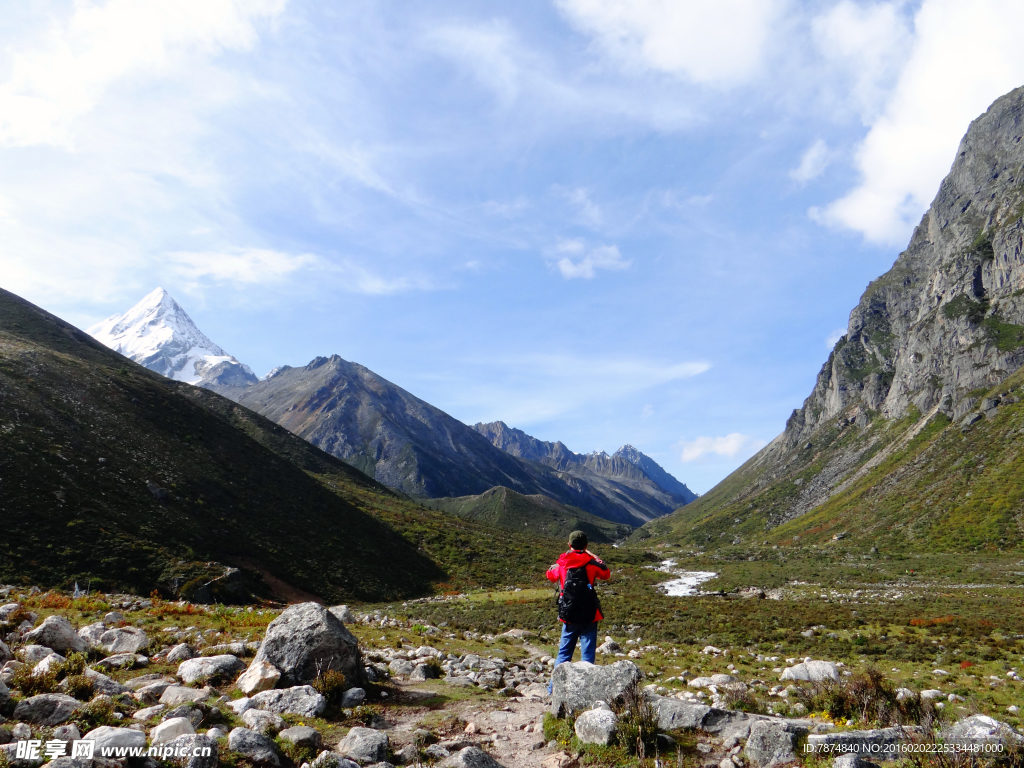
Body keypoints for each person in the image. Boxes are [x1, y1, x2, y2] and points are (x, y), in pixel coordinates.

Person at [545, 530, 610, 693]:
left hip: (569, 615)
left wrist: (557, 564)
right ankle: (586, 692)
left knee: (564, 654)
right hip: (590, 614)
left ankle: (553, 690)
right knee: (588, 656)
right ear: (586, 546)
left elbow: (550, 576)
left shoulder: (562, 564)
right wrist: (596, 557)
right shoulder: (591, 563)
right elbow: (606, 574)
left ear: (569, 545)